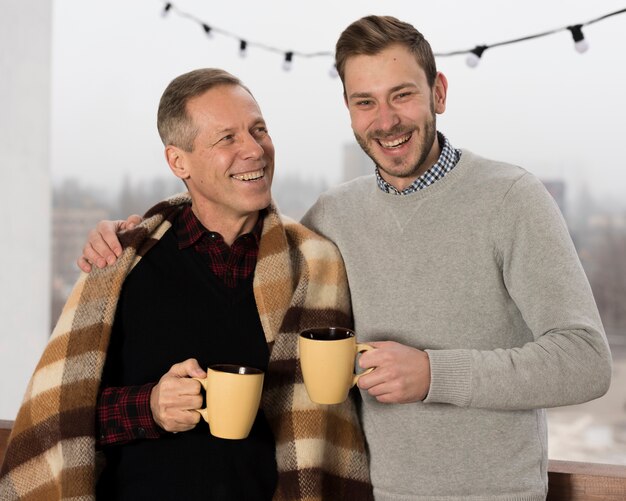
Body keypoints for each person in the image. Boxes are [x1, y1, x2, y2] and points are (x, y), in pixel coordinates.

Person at [75, 15, 612, 501]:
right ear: (349, 110)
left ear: (439, 93)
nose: (386, 121)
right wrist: (136, 233)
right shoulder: (329, 221)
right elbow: (233, 236)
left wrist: (433, 373)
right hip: (364, 494)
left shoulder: (511, 198)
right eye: (365, 102)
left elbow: (586, 362)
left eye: (402, 95)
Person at [0, 69, 373, 500]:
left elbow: (337, 416)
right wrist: (150, 408)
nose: (254, 150)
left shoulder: (314, 264)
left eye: (259, 130)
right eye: (227, 139)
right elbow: (63, 417)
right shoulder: (121, 264)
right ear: (179, 161)